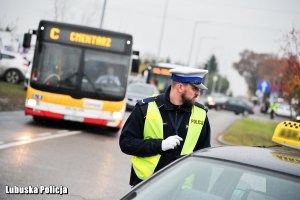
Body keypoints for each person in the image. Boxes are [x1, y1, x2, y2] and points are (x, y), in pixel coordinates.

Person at [119, 67, 211, 187]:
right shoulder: (145, 108)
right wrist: (160, 145)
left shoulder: (201, 114)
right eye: (194, 88)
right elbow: (126, 143)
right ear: (180, 87)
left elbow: (204, 157)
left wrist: (201, 193)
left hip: (180, 189)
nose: (198, 94)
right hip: (146, 185)